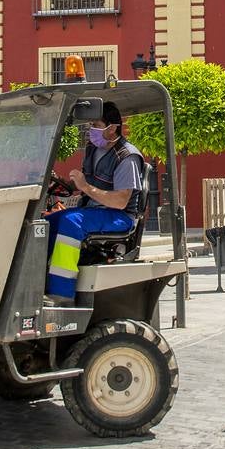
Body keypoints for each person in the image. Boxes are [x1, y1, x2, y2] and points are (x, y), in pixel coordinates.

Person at [45, 101, 144, 304]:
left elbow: (120, 201)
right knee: (46, 223)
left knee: (71, 222)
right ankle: (38, 280)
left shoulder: (127, 157)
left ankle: (61, 293)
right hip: (93, 210)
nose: (92, 131)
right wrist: (68, 184)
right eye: (91, 125)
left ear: (113, 127)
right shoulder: (93, 149)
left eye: (97, 126)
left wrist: (86, 188)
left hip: (118, 216)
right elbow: (87, 183)